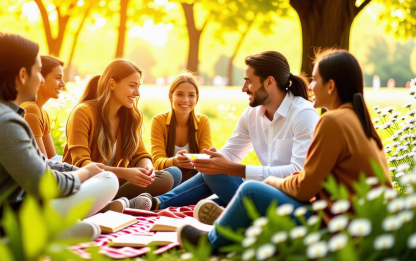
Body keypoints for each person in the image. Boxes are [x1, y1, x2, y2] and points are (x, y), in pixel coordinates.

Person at [178, 49, 392, 250]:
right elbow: (313, 182)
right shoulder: (356, 118)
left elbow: (305, 187)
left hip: (338, 227)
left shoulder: (332, 121)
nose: (309, 86)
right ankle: (240, 224)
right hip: (364, 224)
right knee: (233, 191)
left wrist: (272, 182)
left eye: (315, 79)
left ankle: (212, 243)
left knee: (250, 191)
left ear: (331, 86)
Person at [0, 33, 118, 240]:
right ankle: (33, 235)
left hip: (10, 211)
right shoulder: (5, 122)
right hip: (5, 224)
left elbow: (42, 162)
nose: (41, 79)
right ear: (23, 75)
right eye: (40, 71)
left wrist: (80, 170)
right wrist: (85, 174)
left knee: (92, 227)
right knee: (109, 180)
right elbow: (47, 185)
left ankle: (50, 230)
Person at [146, 51, 319, 213]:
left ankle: (226, 211)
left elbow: (299, 172)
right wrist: (211, 160)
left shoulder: (303, 114)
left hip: (290, 199)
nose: (244, 88)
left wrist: (236, 169)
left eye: (249, 81)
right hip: (262, 190)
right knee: (213, 171)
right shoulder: (252, 114)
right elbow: (230, 154)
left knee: (240, 190)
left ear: (269, 82)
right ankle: (155, 203)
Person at [62, 59, 181, 209]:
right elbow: (82, 165)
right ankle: (118, 203)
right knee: (166, 180)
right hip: (86, 185)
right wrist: (125, 173)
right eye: (132, 86)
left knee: (173, 175)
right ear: (112, 84)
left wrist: (148, 171)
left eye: (138, 87)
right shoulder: (83, 112)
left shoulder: (129, 117)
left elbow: (140, 155)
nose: (137, 93)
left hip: (116, 184)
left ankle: (118, 202)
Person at [151, 72, 212, 185]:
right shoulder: (159, 121)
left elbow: (206, 159)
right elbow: (157, 162)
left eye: (191, 95)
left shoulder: (203, 121)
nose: (185, 100)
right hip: (169, 180)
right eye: (180, 94)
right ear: (171, 96)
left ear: (197, 98)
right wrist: (174, 161)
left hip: (194, 181)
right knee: (174, 172)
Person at [21, 55, 64, 160]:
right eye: (58, 78)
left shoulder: (42, 111)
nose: (62, 84)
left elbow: (52, 157)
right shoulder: (31, 109)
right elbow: (44, 164)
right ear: (40, 78)